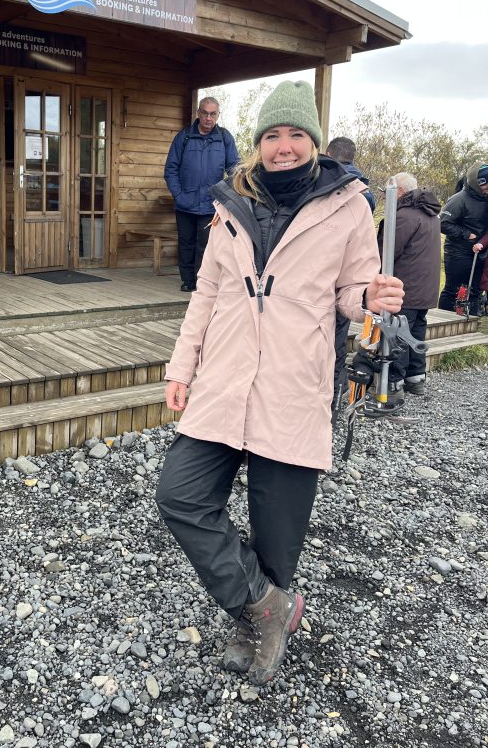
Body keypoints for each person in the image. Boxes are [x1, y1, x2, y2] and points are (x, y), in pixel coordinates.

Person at [156, 81, 404, 686]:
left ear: (314, 142)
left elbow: (350, 291)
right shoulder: (228, 205)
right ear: (259, 143)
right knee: (180, 494)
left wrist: (370, 296)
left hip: (295, 381)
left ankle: (256, 618)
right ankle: (271, 606)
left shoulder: (347, 205)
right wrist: (180, 367)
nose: (283, 146)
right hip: (225, 375)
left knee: (277, 528)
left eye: (295, 135)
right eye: (272, 135)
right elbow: (208, 295)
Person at [164, 97, 239, 291]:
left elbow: (235, 170)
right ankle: (188, 281)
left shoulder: (224, 137)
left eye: (212, 114)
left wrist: (225, 194)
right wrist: (179, 195)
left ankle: (202, 282)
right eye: (205, 113)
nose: (208, 117)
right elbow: (170, 169)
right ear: (198, 113)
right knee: (186, 244)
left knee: (206, 246)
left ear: (218, 115)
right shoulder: (184, 137)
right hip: (185, 203)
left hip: (211, 204)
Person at [377, 173, 441, 397]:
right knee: (416, 333)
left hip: (405, 289)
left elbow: (386, 254)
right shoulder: (430, 214)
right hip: (425, 290)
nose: (385, 198)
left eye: (387, 193)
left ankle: (394, 384)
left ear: (400, 192)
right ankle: (416, 379)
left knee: (398, 335)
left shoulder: (403, 216)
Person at [324, 136, 375, 403]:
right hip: (351, 281)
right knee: (339, 337)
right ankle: (337, 389)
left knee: (324, 341)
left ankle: (328, 394)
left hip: (324, 275)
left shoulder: (326, 184)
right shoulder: (365, 191)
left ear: (328, 153)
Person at [438, 161, 488, 317]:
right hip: (457, 252)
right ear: (478, 183)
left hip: (479, 251)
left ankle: (470, 320)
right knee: (454, 289)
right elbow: (442, 223)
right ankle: (443, 318)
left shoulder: (486, 199)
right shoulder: (459, 199)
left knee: (474, 290)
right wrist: (466, 234)